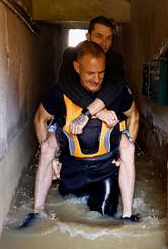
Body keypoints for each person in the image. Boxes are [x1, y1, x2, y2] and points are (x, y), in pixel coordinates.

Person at [31, 41, 139, 225]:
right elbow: (40, 119)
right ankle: (36, 212)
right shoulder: (61, 92)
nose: (96, 79)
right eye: (90, 73)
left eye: (101, 73)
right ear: (76, 67)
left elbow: (134, 116)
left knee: (104, 217)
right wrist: (55, 159)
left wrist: (123, 155)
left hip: (104, 170)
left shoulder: (115, 91)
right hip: (73, 170)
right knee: (68, 210)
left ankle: (128, 214)